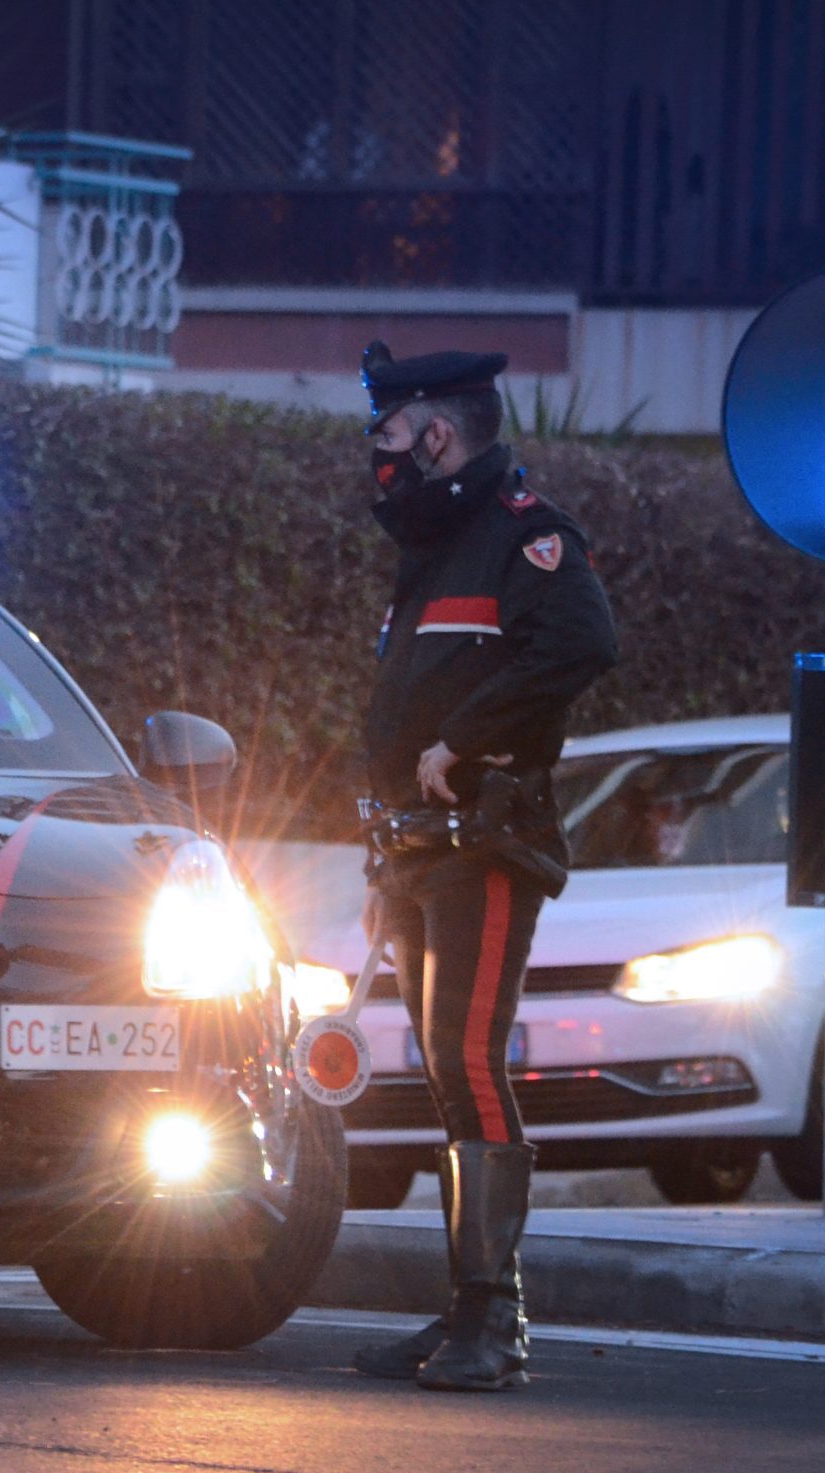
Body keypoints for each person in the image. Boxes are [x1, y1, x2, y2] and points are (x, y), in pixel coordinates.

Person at [346, 341, 619, 1391]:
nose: (377, 455)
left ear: (436, 431)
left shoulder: (524, 536)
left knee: (467, 1060)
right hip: (420, 852)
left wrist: (458, 743)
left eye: (386, 432)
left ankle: (492, 1319)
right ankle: (461, 1308)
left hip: (486, 844)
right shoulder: (438, 548)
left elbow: (581, 644)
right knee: (444, 1066)